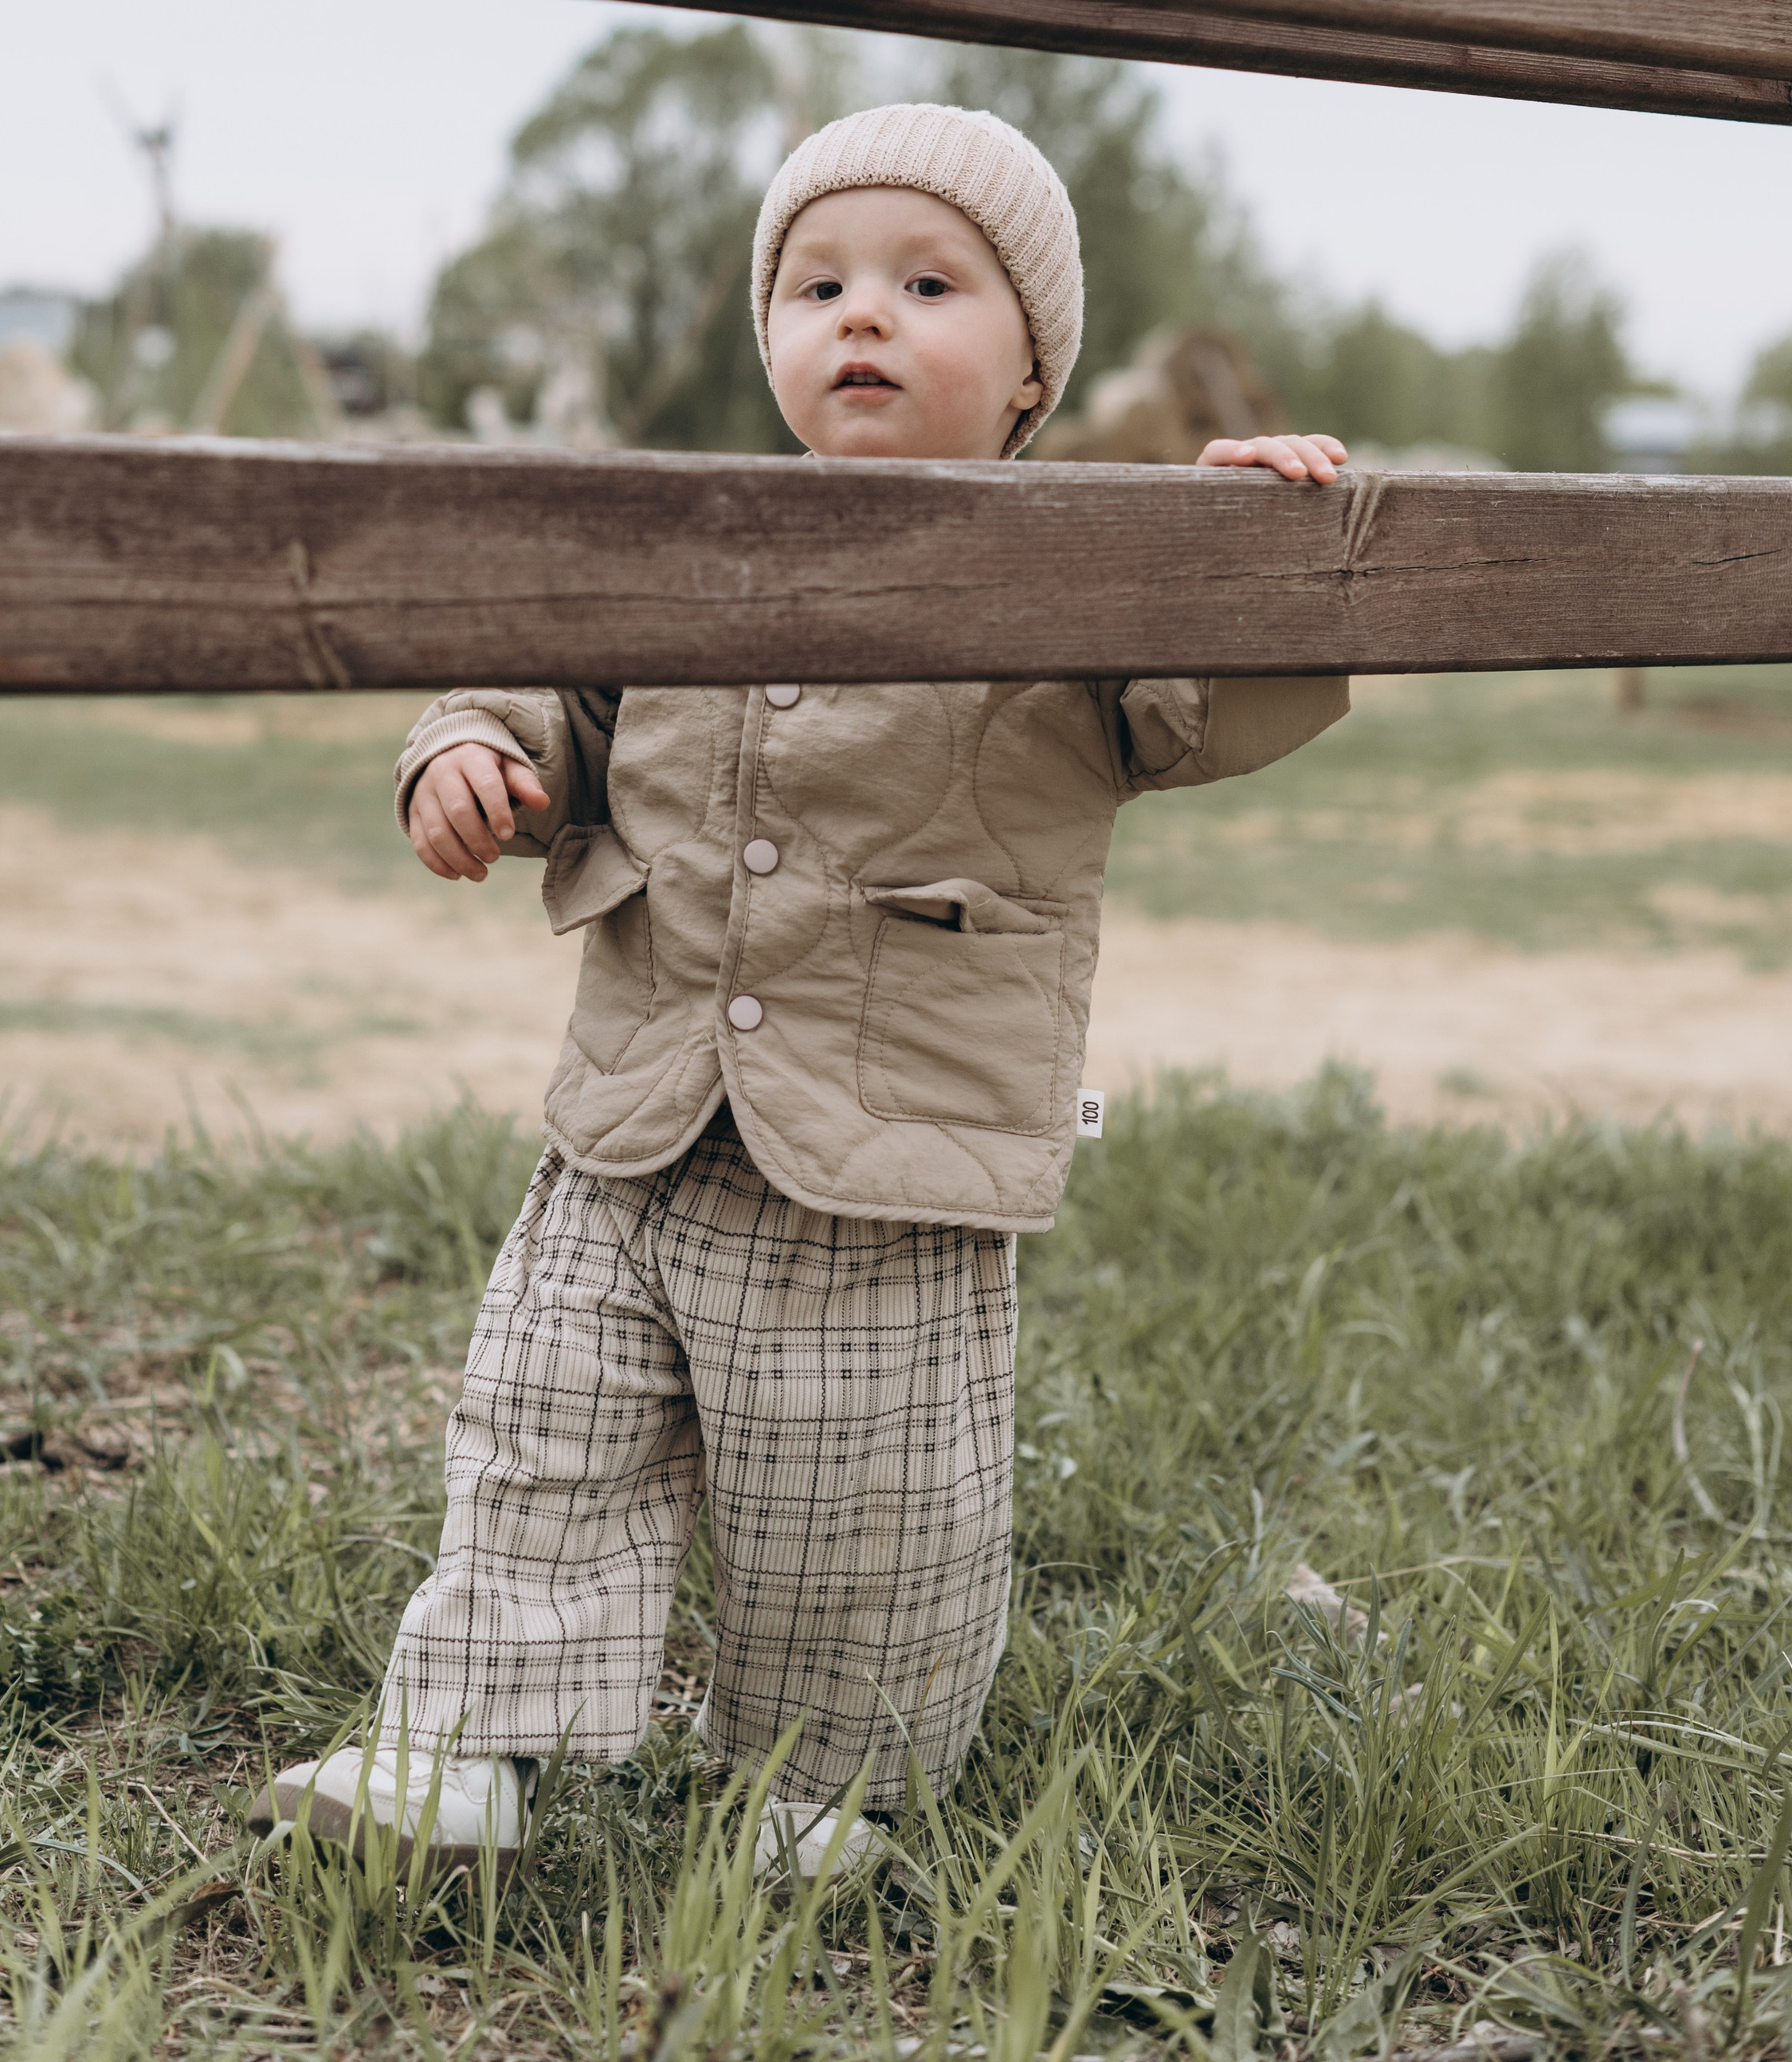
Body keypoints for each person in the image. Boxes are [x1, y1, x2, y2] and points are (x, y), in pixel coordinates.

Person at [246, 102, 1349, 1881]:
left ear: (1027, 376)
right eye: (817, 283)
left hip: (888, 1141)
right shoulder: (686, 544)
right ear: (766, 336)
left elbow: (1215, 706)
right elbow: (558, 699)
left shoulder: (1084, 568)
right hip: (636, 1110)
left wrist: (1251, 559)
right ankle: (462, 1742)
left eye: (926, 284)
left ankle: (827, 1785)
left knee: (866, 1499)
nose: (861, 315)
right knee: (540, 1424)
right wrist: (465, 743)